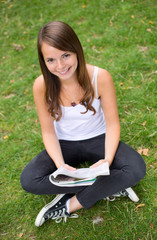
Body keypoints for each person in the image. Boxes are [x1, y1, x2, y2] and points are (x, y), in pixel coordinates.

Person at [20, 21, 146, 227]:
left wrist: (106, 160)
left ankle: (69, 204)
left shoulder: (100, 77)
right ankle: (110, 185)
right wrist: (61, 168)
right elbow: (48, 132)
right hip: (64, 144)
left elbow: (113, 125)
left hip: (98, 139)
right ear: (43, 61)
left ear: (77, 50)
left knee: (136, 168)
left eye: (66, 55)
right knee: (29, 180)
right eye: (51, 60)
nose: (60, 66)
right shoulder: (41, 85)